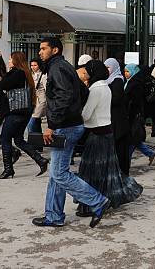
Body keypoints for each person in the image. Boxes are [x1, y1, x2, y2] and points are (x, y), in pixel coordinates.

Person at [33, 38, 111, 228]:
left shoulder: (57, 68)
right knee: (55, 173)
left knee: (59, 173)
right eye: (40, 49)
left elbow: (64, 96)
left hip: (65, 126)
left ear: (55, 50)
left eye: (44, 49)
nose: (40, 52)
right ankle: (54, 215)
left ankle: (98, 201)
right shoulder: (64, 66)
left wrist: (53, 124)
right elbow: (83, 93)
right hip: (71, 124)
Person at [75, 60, 143, 217]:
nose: (84, 74)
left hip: (97, 134)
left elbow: (86, 114)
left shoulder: (97, 88)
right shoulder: (105, 85)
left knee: (91, 171)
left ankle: (93, 204)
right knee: (105, 171)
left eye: (86, 72)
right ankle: (105, 199)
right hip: (106, 132)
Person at [0, 51, 49, 179]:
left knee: (5, 139)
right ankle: (40, 160)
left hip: (15, 112)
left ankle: (8, 169)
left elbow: (3, 85)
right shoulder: (26, 73)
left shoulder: (17, 73)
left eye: (10, 59)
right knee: (18, 139)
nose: (8, 61)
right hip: (25, 111)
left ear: (16, 61)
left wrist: (7, 72)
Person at [124, 63, 155, 165]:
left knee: (131, 141)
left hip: (135, 115)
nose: (126, 74)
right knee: (135, 140)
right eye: (125, 71)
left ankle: (125, 164)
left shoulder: (136, 83)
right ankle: (150, 153)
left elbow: (135, 101)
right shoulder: (130, 81)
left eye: (128, 71)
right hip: (133, 115)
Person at [105, 58, 131, 175]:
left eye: (108, 67)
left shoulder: (117, 81)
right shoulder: (108, 80)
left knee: (119, 147)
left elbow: (117, 99)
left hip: (117, 119)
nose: (106, 70)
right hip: (111, 118)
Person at [27, 58, 47, 151]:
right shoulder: (31, 75)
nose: (33, 67)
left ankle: (33, 144)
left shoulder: (43, 75)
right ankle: (38, 145)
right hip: (34, 102)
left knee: (32, 123)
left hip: (41, 102)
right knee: (36, 124)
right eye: (31, 65)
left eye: (35, 65)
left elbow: (47, 90)